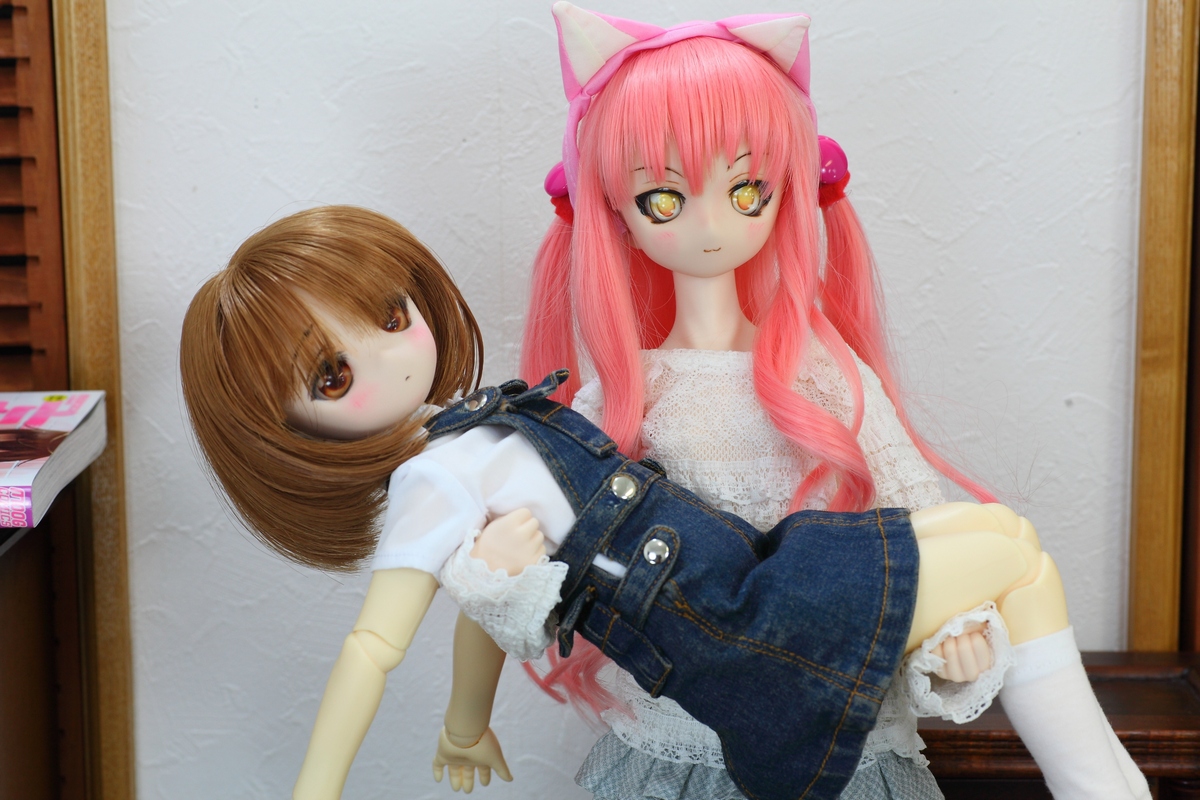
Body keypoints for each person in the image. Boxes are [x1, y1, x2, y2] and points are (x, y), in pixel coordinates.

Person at [180, 205, 1111, 800]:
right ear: (281, 427)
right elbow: (372, 648)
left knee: (1006, 542)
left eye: (390, 318)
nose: (389, 358)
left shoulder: (476, 433)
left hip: (755, 576)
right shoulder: (429, 479)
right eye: (334, 376)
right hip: (733, 625)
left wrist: (466, 724)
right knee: (1013, 552)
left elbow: (474, 611)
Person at [508, 4, 1150, 799]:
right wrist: (498, 570)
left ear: (787, 191)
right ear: (616, 214)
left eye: (747, 189)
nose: (710, 225)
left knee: (1005, 543)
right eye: (663, 199)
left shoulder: (823, 376)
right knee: (1013, 548)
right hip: (717, 697)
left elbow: (910, 511)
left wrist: (953, 639)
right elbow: (539, 589)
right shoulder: (621, 400)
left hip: (822, 680)